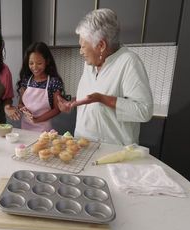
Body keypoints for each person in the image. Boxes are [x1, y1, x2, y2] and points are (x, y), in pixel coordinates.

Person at [57, 8, 153, 145]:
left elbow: (144, 111)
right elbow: (90, 99)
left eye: (83, 47)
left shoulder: (129, 62)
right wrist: (72, 102)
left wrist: (102, 99)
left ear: (101, 45)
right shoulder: (90, 64)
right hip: (82, 145)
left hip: (113, 152)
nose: (80, 52)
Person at [17, 42, 65, 132]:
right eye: (31, 63)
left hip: (44, 129)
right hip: (25, 127)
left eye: (39, 63)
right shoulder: (26, 80)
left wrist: (37, 119)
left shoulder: (53, 82)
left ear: (47, 61)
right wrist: (22, 109)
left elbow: (57, 109)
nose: (34, 67)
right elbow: (21, 104)